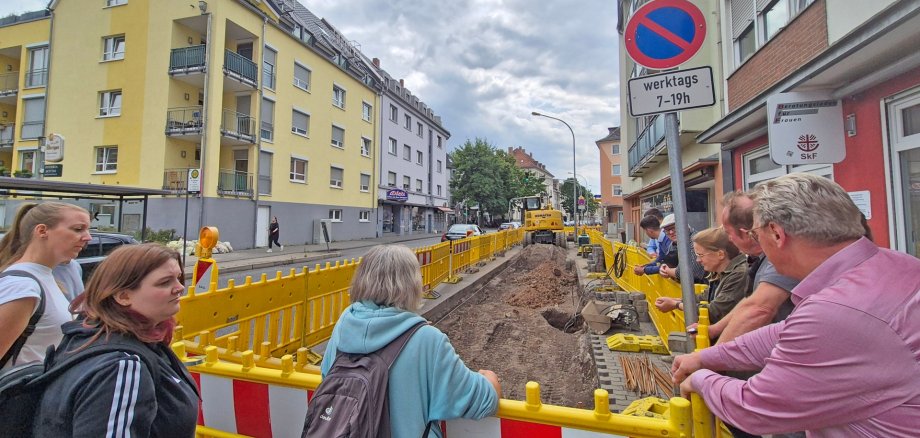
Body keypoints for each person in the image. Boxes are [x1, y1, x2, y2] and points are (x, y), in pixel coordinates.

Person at [672, 173, 920, 436]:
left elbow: (756, 408)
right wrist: (705, 357)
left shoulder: (837, 312)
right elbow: (784, 332)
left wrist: (701, 379)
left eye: (756, 234)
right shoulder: (897, 265)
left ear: (777, 234)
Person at [321, 244, 501, 437]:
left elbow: (327, 377)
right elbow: (481, 401)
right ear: (412, 284)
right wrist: (490, 379)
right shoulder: (427, 340)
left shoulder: (343, 326)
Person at [34, 243, 199, 436]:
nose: (179, 288)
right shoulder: (123, 365)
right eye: (164, 282)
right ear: (123, 296)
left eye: (178, 278)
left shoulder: (89, 334)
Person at [0, 202, 91, 368]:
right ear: (42, 231)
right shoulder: (23, 286)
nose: (88, 237)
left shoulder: (43, 277)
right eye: (78, 229)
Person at [706, 191, 798, 343]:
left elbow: (759, 308)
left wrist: (709, 358)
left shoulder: (779, 258)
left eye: (729, 232)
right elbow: (750, 301)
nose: (729, 238)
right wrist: (716, 329)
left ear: (746, 233)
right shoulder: (763, 258)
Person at [654, 227, 748, 325]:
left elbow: (714, 311)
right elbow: (705, 297)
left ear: (720, 254)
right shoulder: (723, 271)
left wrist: (676, 304)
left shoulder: (739, 274)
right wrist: (675, 301)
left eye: (700, 255)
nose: (698, 260)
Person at [635, 214, 707, 284]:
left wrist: (666, 270)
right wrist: (662, 268)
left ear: (684, 225)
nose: (671, 232)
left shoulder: (695, 240)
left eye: (674, 228)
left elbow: (690, 272)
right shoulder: (674, 244)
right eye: (667, 230)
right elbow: (666, 262)